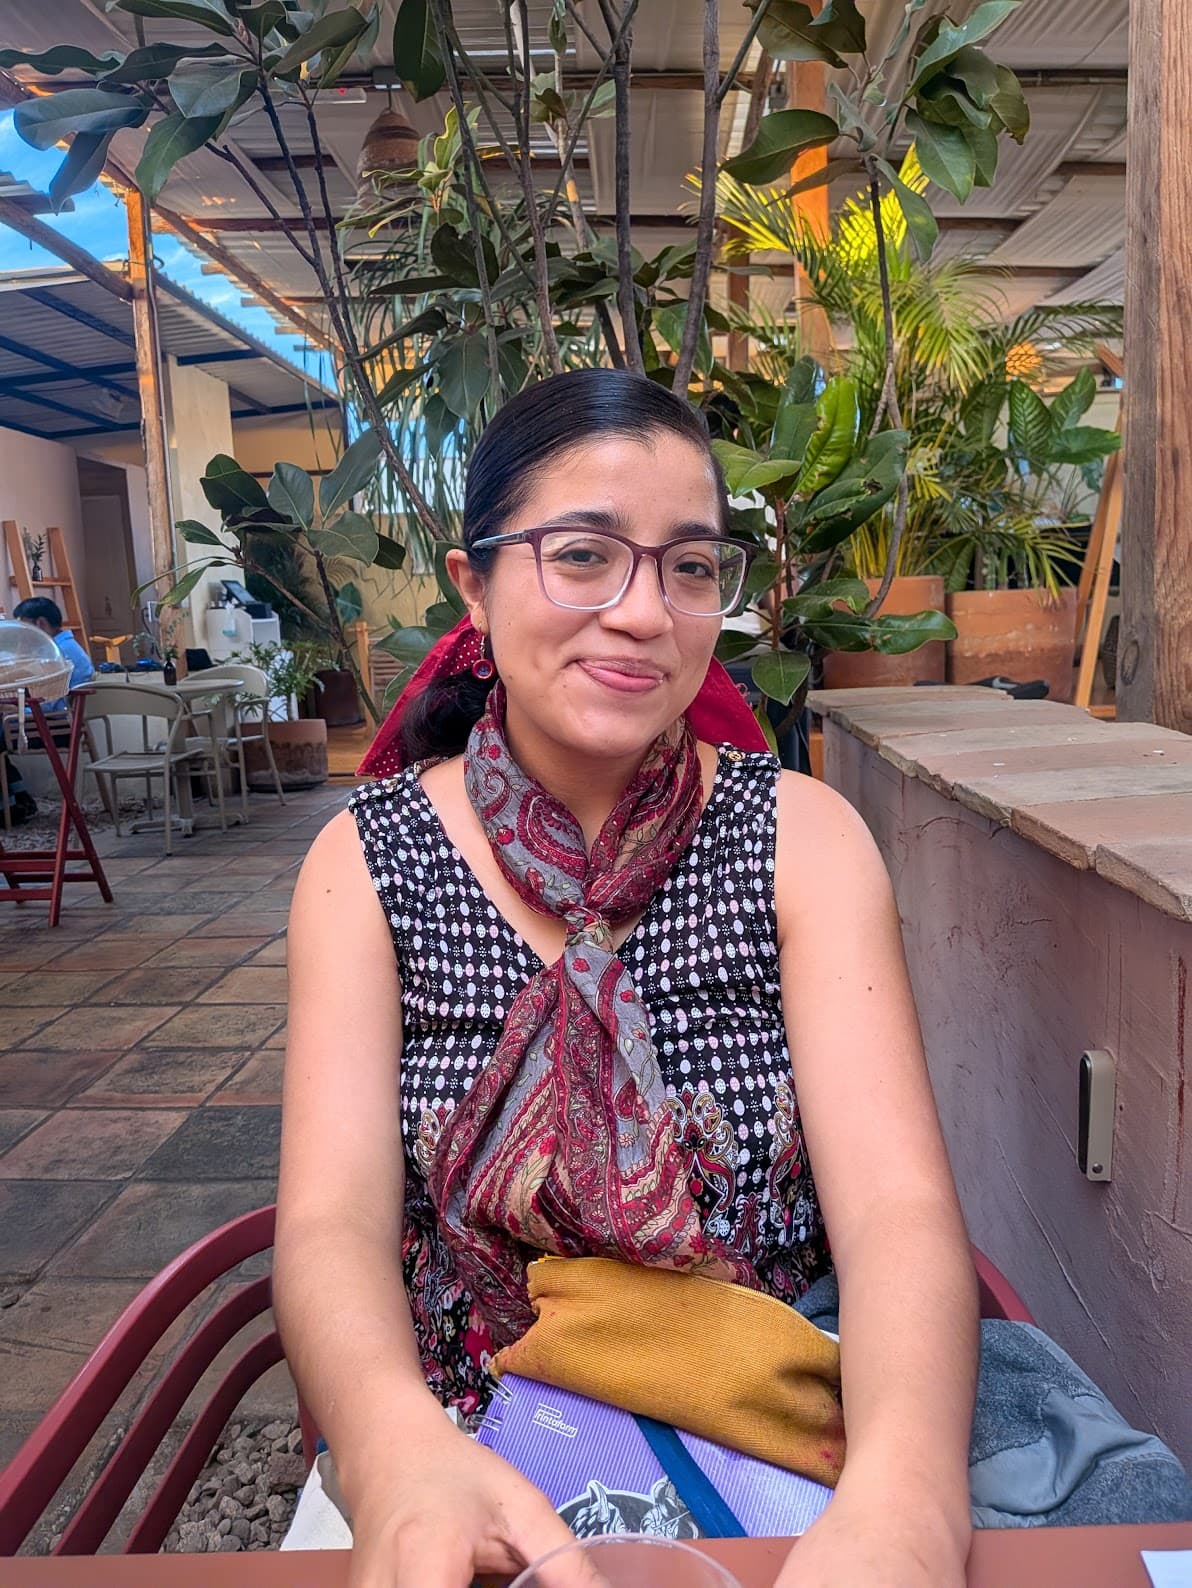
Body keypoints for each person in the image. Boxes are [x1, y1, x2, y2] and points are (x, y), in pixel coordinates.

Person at [274, 368, 980, 1588]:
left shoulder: (799, 841)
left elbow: (895, 1210)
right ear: (474, 586)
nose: (645, 611)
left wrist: (904, 1500)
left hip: (776, 1437)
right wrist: (390, 1451)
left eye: (689, 566)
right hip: (459, 1450)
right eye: (584, 555)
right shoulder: (367, 864)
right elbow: (330, 1222)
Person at [12, 597, 95, 694]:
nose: (20, 633)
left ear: (41, 623)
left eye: (24, 626)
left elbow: (48, 699)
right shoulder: (66, 644)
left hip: (65, 703)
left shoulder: (55, 653)